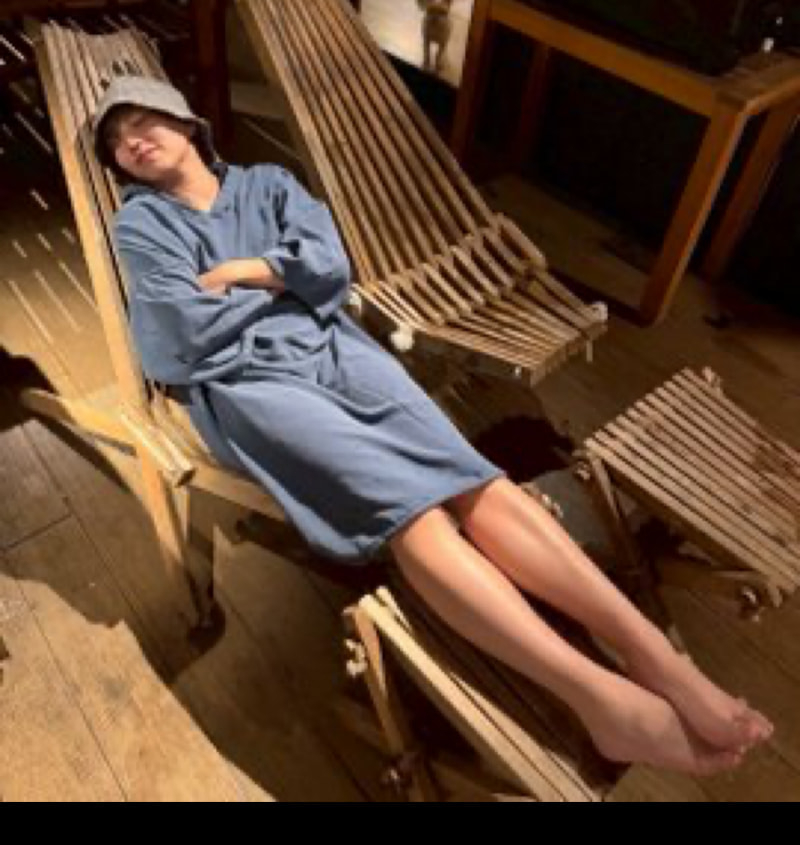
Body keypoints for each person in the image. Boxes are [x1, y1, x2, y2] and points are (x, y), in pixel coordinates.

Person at [95, 75, 773, 776]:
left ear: (188, 122)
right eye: (116, 140)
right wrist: (286, 280)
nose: (132, 141)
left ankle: (654, 656)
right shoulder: (141, 225)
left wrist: (243, 270)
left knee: (474, 479)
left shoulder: (267, 184)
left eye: (143, 121)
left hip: (335, 348)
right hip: (247, 383)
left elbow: (330, 266)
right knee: (411, 510)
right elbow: (175, 333)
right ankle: (598, 698)